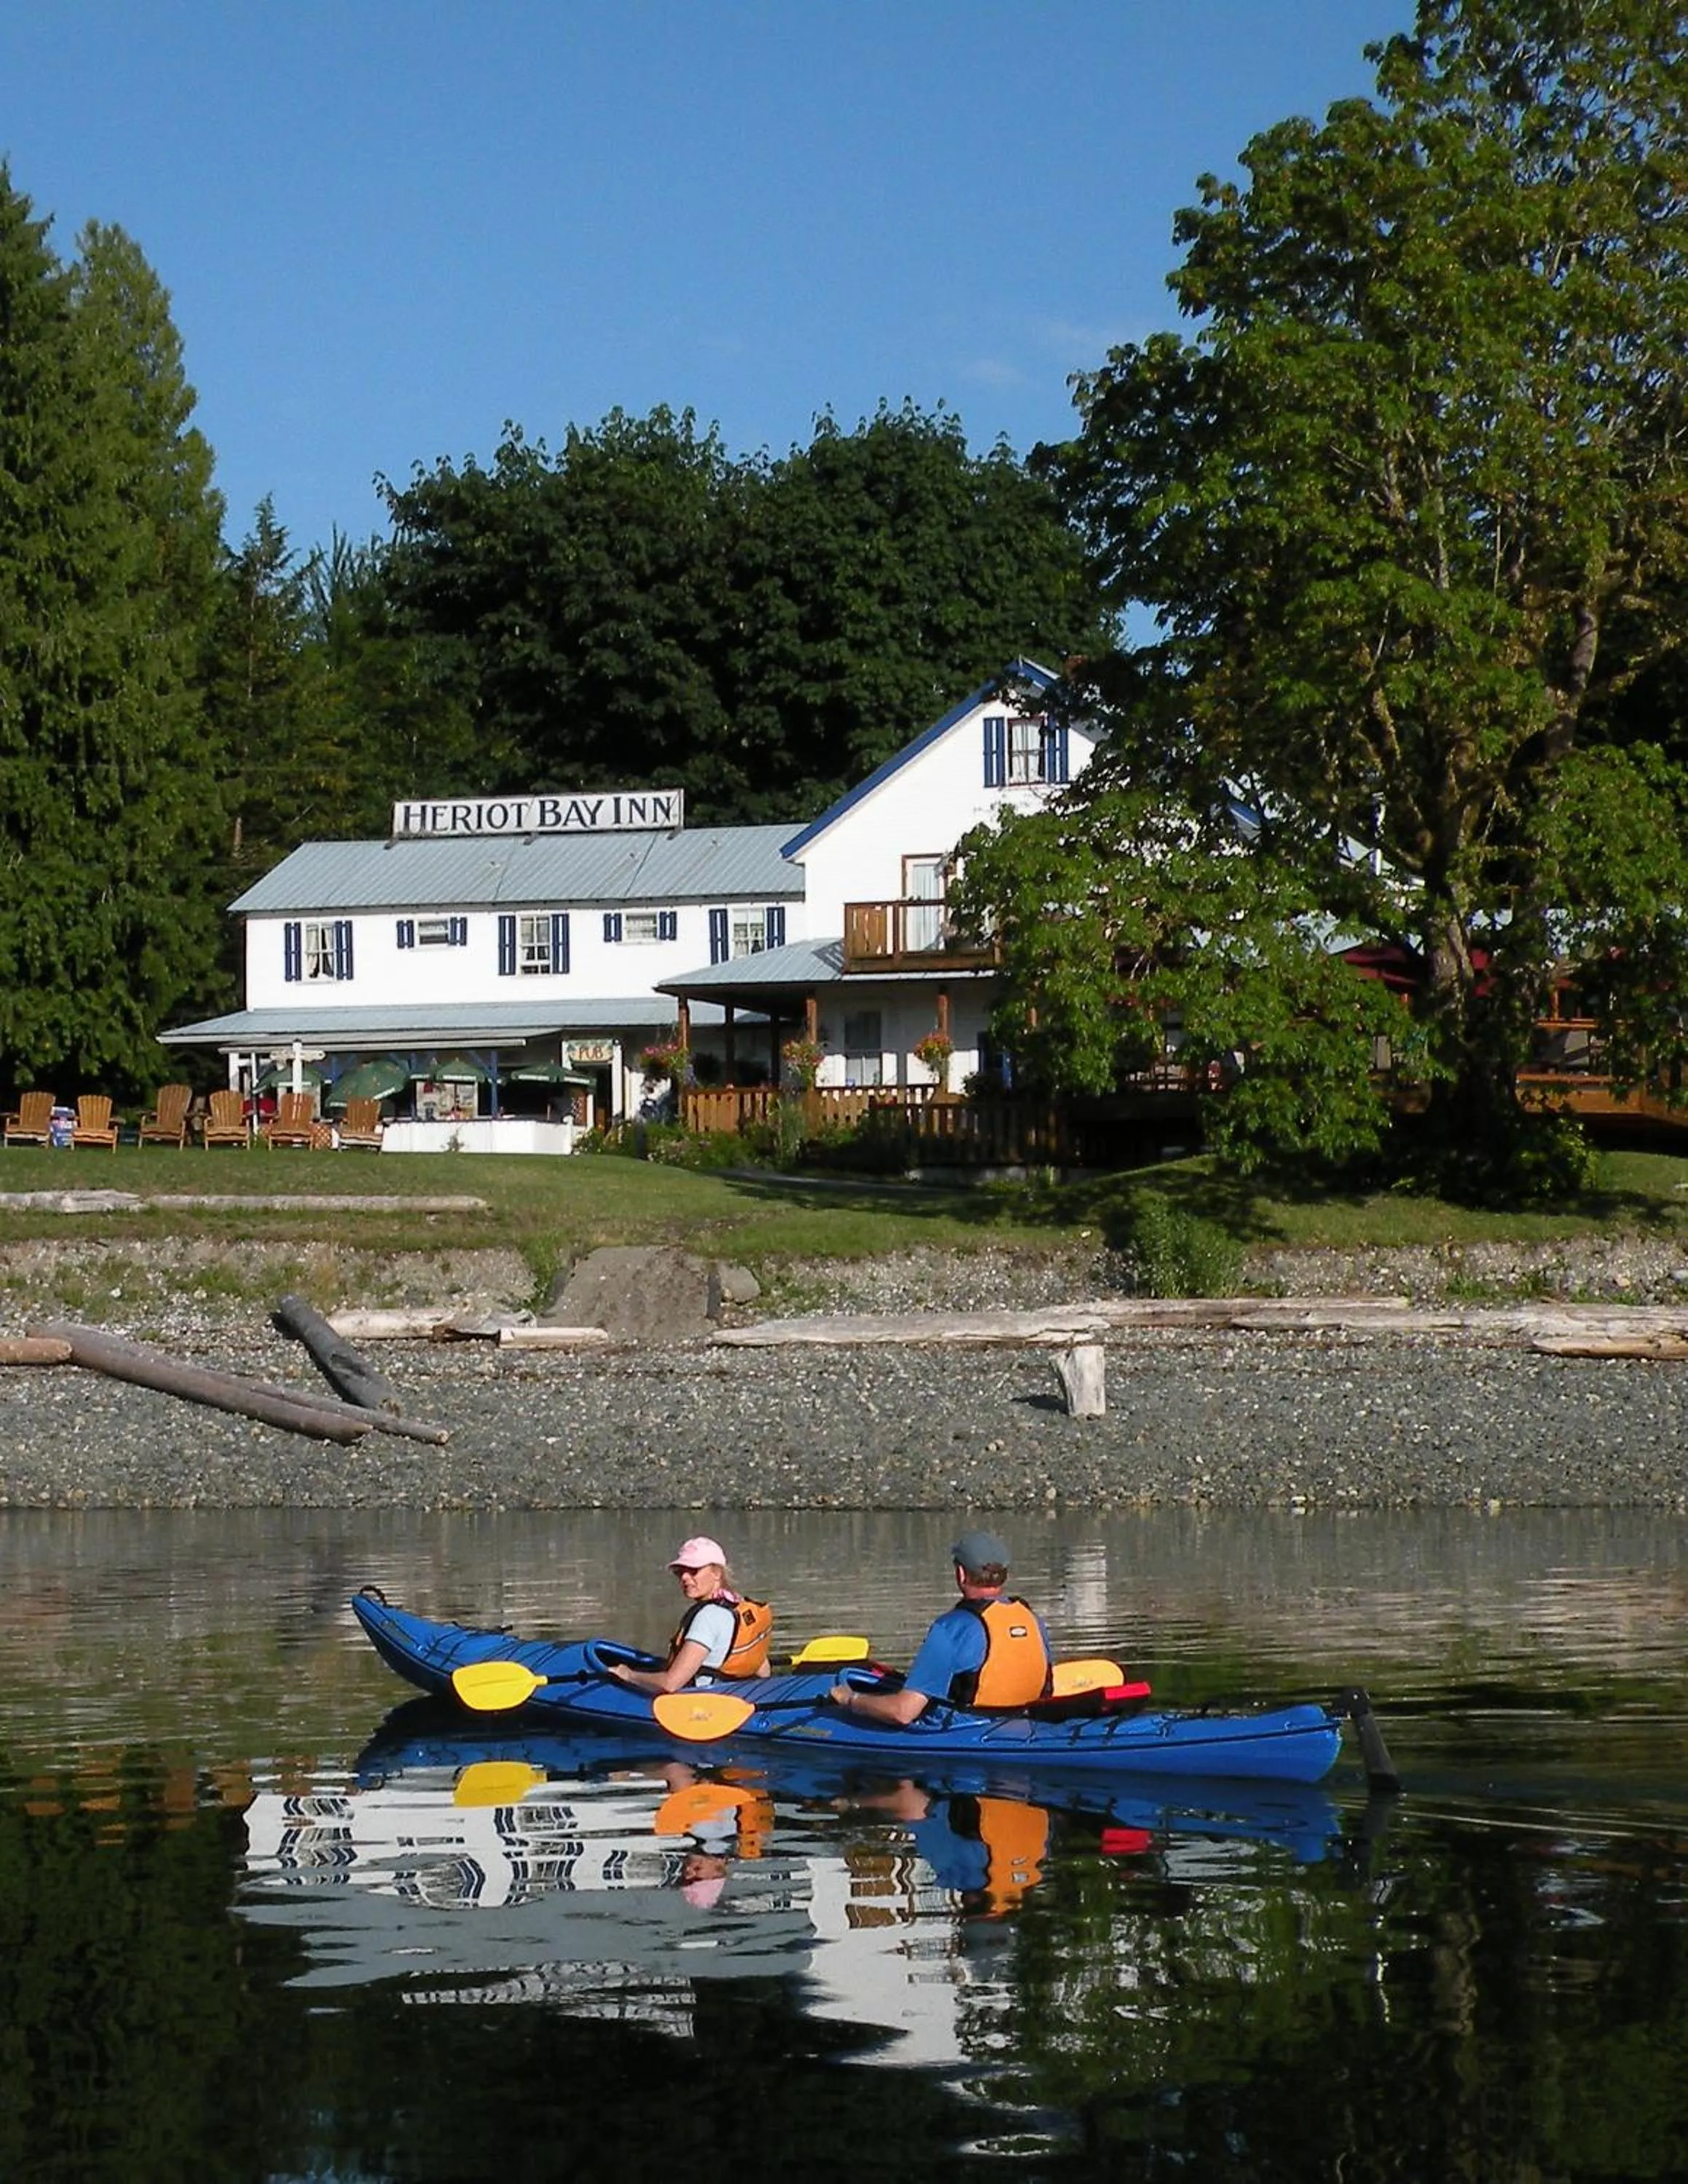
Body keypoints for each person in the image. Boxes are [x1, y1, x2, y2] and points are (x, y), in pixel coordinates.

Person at [828, 1529, 1052, 1726]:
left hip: (964, 1729)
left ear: (961, 1573)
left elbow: (903, 1712)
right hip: (1022, 1723)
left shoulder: (951, 1628)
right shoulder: (1032, 1619)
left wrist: (851, 1700)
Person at [607, 1535, 773, 1694]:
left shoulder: (708, 1617)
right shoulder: (742, 1607)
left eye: (694, 1571)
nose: (685, 1578)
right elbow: (763, 1671)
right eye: (680, 1572)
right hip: (737, 1695)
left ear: (717, 1573)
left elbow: (671, 1684)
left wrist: (629, 1675)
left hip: (701, 1704)